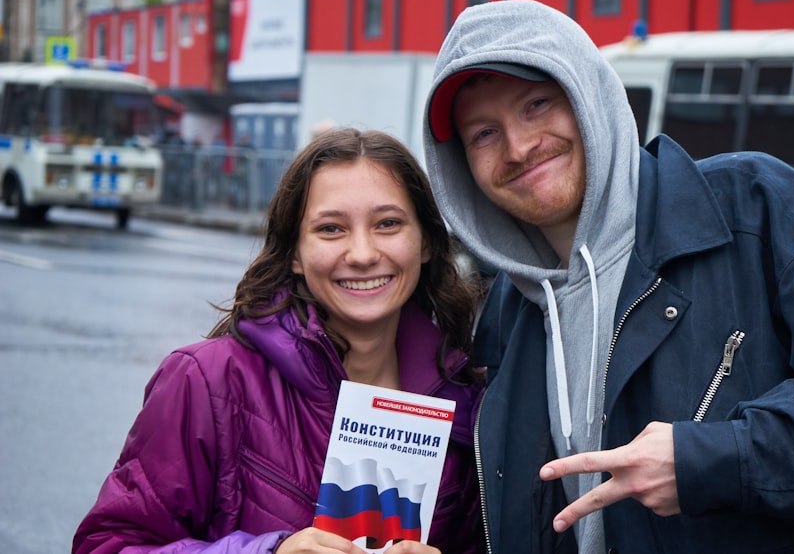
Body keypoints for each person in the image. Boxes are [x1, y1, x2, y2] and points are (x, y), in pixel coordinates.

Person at [422, 0, 794, 554]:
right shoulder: (508, 313)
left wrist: (713, 461)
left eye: (538, 103)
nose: (519, 146)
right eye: (484, 134)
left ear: (588, 93)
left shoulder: (752, 210)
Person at [74, 128, 486, 554]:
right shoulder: (206, 381)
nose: (362, 253)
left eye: (388, 224)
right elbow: (106, 546)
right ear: (294, 253)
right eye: (331, 228)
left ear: (424, 243)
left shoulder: (466, 403)